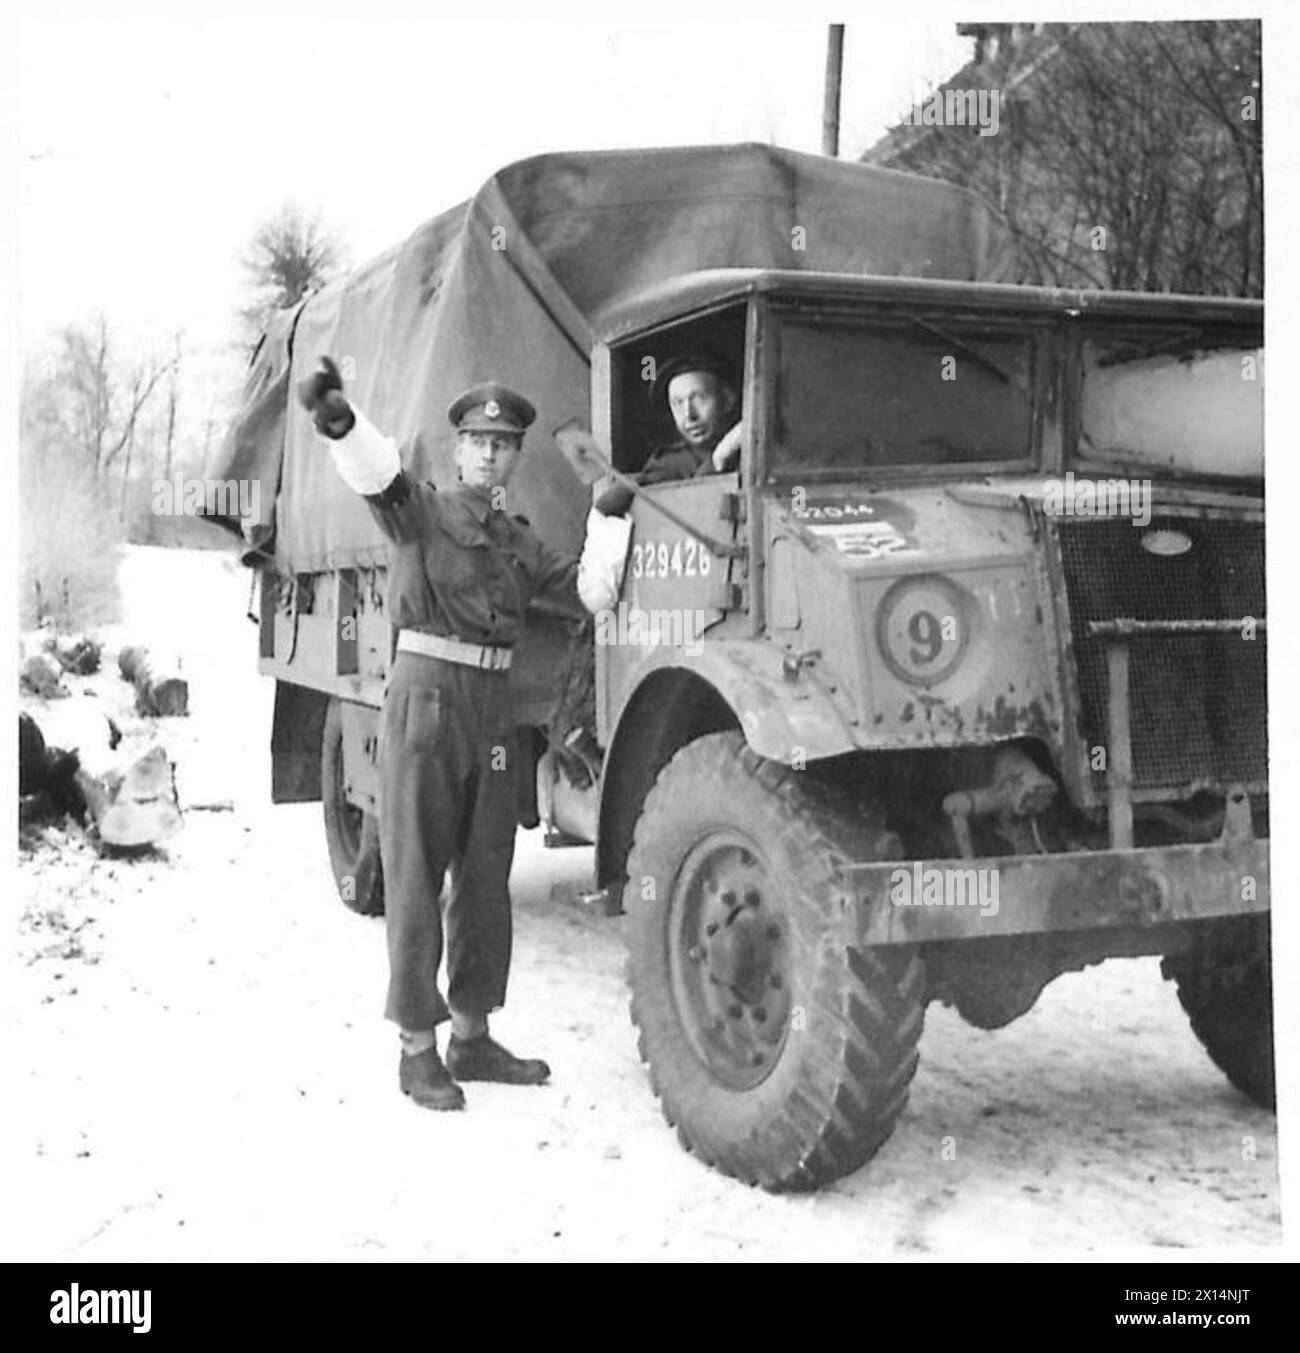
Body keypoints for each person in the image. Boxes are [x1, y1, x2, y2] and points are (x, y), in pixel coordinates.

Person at [299, 357, 587, 1112]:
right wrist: (341, 421)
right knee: (417, 868)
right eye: (477, 441)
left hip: (494, 707)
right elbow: (378, 476)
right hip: (426, 700)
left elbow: (590, 591)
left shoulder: (523, 544)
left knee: (486, 874)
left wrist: (617, 513)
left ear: (517, 458)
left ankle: (472, 1033)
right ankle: (416, 1048)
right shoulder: (419, 511)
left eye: (504, 443)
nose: (490, 453)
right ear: (457, 450)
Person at [593, 352, 743, 515]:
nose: (689, 414)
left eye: (699, 398)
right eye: (678, 403)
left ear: (728, 400)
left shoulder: (751, 446)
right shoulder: (671, 464)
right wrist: (718, 458)